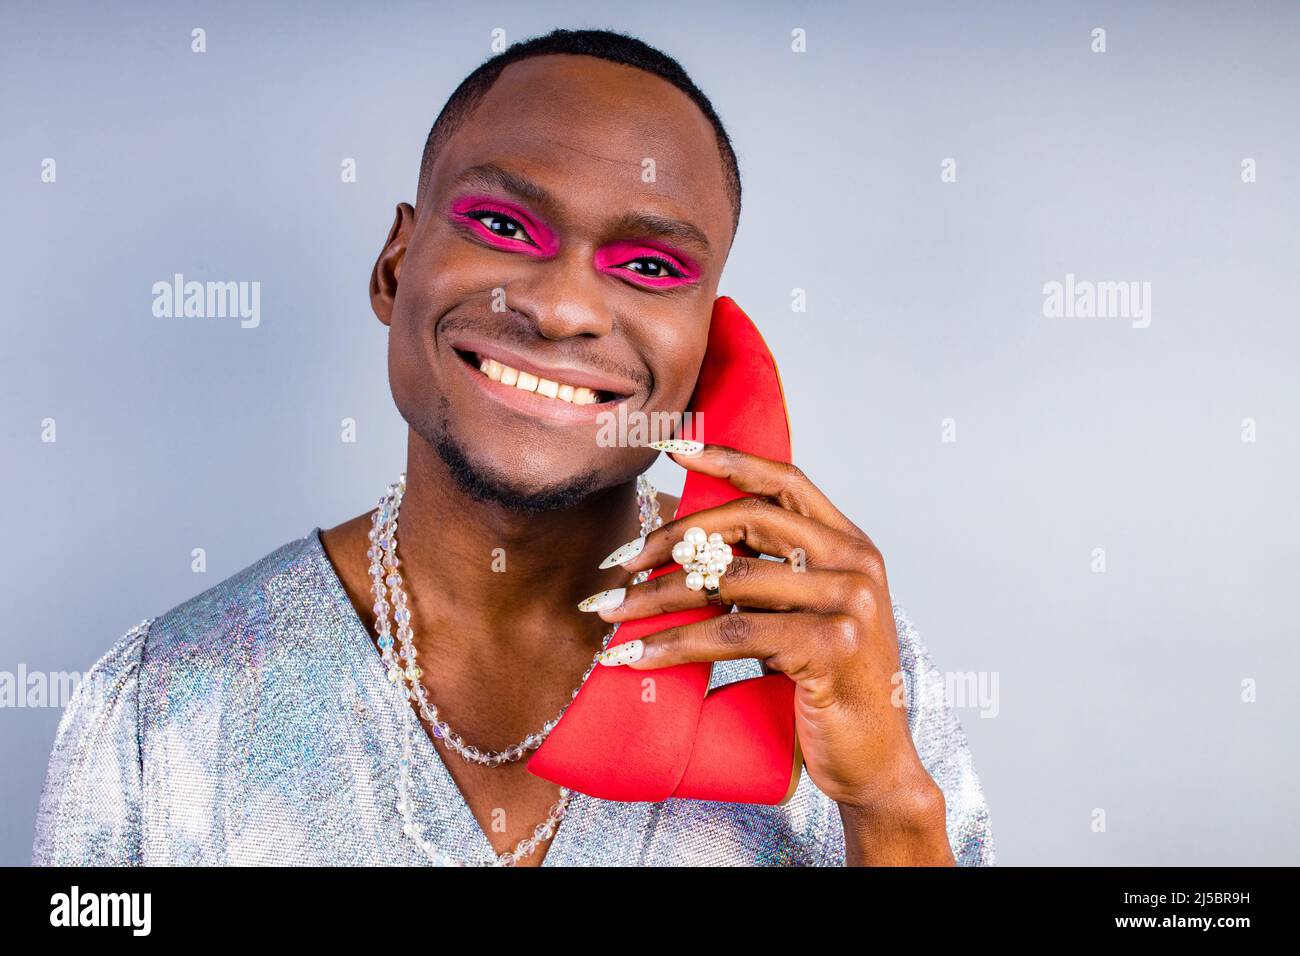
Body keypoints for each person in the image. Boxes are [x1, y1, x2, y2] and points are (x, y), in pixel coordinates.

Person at [32, 28, 994, 867]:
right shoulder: (167, 703)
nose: (562, 306)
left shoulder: (837, 660)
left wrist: (891, 806)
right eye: (501, 225)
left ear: (712, 344)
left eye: (651, 267)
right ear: (396, 265)